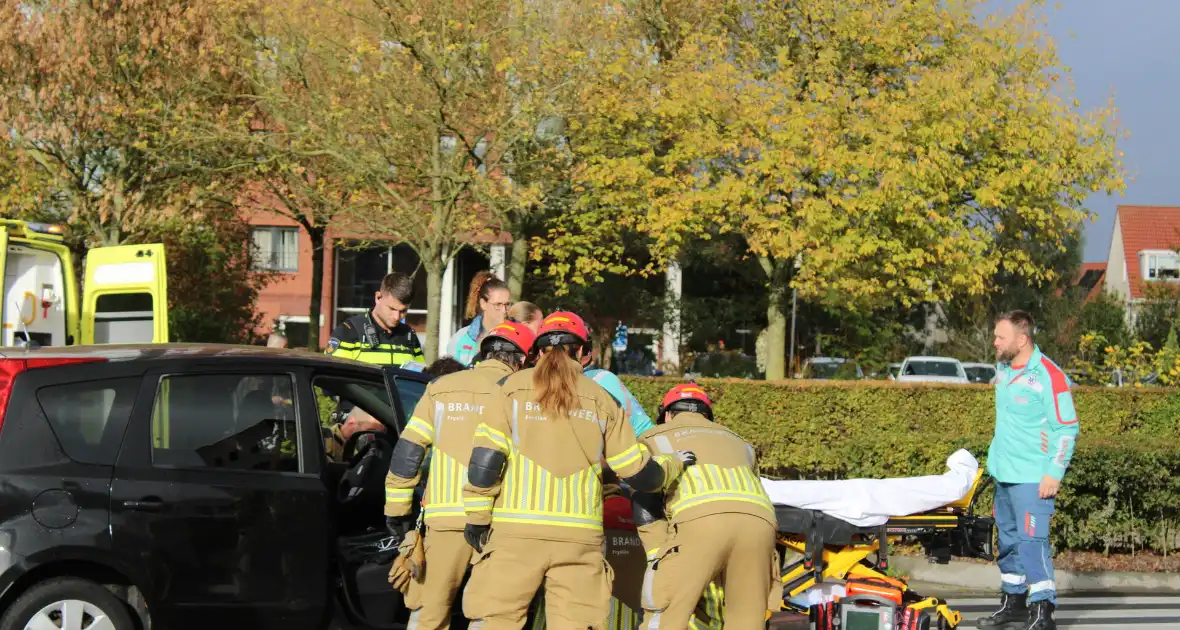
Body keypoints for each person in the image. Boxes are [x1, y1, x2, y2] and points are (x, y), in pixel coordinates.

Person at [460, 311, 694, 629]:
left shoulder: (510, 389)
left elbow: (484, 465)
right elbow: (639, 474)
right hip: (579, 539)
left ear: (538, 352)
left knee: (496, 620)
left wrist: (476, 519)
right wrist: (674, 463)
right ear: (584, 354)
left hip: (515, 533)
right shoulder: (603, 399)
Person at [382, 321, 537, 630]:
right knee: (490, 612)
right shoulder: (524, 395)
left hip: (444, 520)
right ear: (522, 359)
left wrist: (397, 511)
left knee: (428, 611)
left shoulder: (441, 388)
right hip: (500, 524)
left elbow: (408, 454)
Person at [631, 383, 778, 629]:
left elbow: (644, 496)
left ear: (667, 414)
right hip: (760, 525)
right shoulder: (740, 442)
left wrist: (658, 553)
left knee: (666, 610)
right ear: (707, 414)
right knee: (747, 619)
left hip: (700, 521)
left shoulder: (653, 438)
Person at [978, 311, 1078, 630]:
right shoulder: (1004, 368)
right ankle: (1014, 602)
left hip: (1033, 478)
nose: (994, 342)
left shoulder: (1050, 375)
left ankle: (1042, 610)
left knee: (1032, 543)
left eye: (1000, 337)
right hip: (1004, 474)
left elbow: (1065, 427)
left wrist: (1054, 472)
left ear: (1022, 339)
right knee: (1007, 542)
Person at [326, 272, 425, 367]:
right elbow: (331, 378)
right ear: (378, 297)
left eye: (403, 311)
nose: (397, 317)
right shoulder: (348, 333)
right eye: (392, 309)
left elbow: (420, 378)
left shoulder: (409, 336)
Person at [447, 271, 511, 366]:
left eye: (507, 304)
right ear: (483, 303)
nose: (504, 310)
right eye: (498, 304)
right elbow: (450, 376)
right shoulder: (461, 338)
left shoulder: (516, 337)